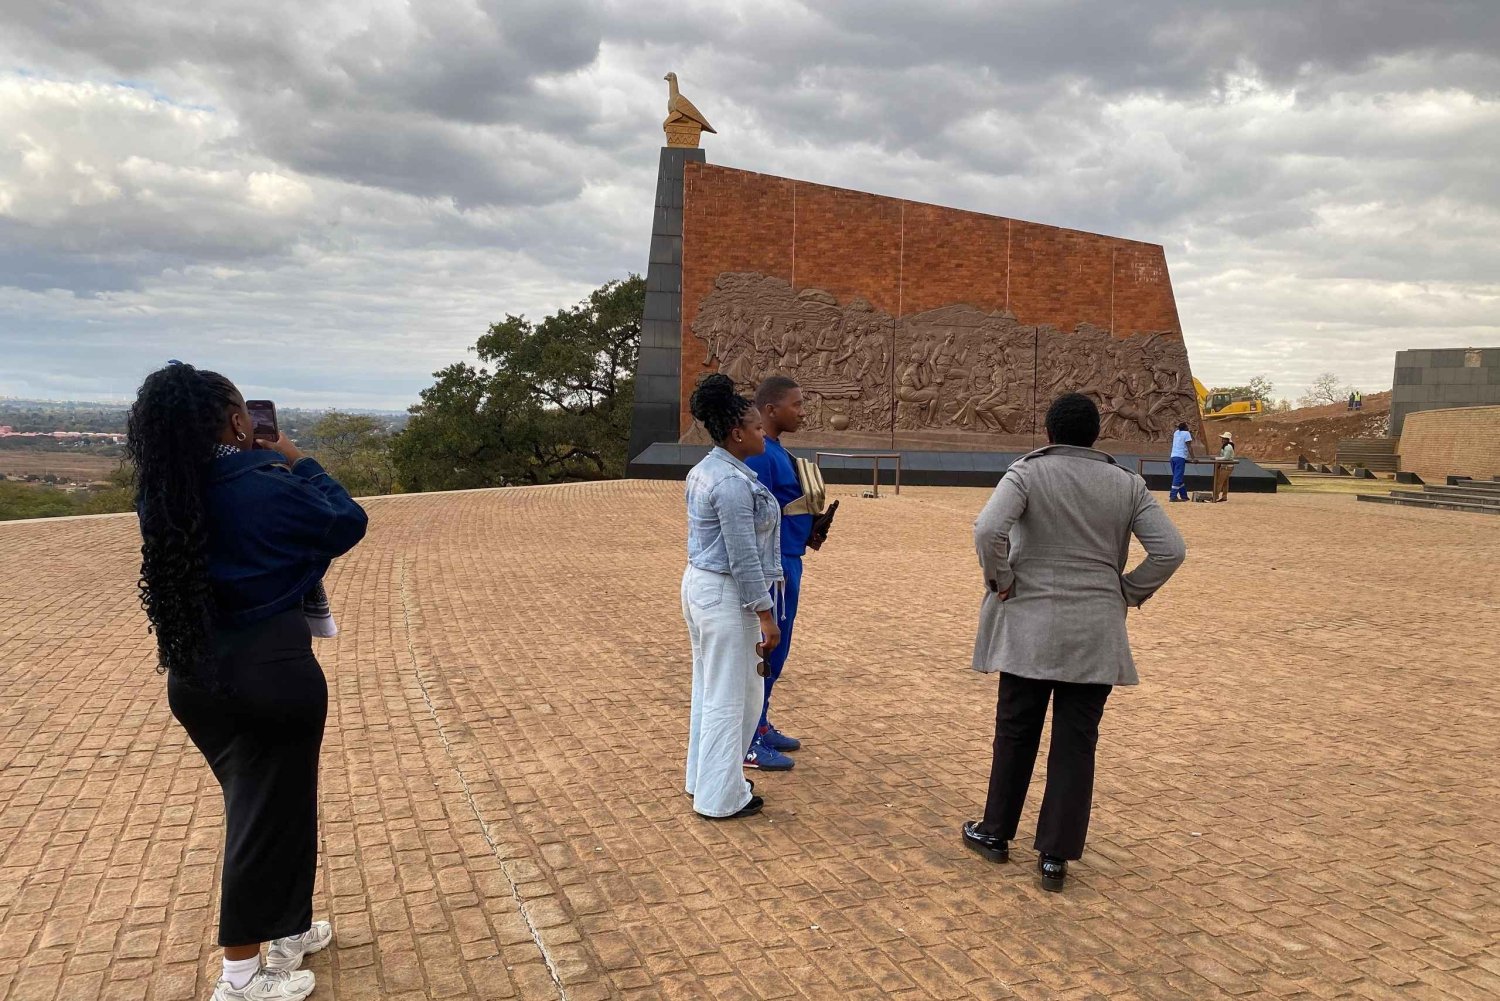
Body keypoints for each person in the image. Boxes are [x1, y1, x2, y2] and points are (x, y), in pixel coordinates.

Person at [127, 362, 368, 1000]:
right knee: (261, 818)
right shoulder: (263, 483)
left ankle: (286, 931)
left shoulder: (163, 492)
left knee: (274, 809)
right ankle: (238, 978)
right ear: (238, 420)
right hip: (270, 675)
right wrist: (298, 459)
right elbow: (346, 521)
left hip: (198, 674)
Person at [962, 393, 1186, 892]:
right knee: (1076, 743)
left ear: (1048, 433)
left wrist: (1000, 577)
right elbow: (1171, 550)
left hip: (1027, 624)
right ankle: (1055, 857)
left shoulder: (1026, 474)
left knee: (1016, 731)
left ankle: (996, 832)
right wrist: (1126, 590)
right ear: (1095, 435)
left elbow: (988, 529)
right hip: (1095, 629)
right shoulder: (1127, 485)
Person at [682, 374, 784, 820]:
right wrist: (766, 616)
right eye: (757, 427)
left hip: (702, 586)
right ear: (736, 433)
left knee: (711, 687)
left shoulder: (708, 470)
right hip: (726, 593)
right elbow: (743, 558)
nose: (763, 433)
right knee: (734, 695)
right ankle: (722, 796)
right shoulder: (730, 484)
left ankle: (703, 779)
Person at [742, 376, 836, 770]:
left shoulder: (778, 451)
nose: (802, 411)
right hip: (774, 568)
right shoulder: (762, 454)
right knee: (767, 650)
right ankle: (747, 739)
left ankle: (759, 725)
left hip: (790, 559)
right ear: (770, 410)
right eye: (795, 404)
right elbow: (756, 513)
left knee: (778, 652)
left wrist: (808, 525)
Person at [1168, 420, 1194, 502]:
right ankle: (1173, 496)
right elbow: (1189, 446)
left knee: (1179, 477)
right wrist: (1193, 458)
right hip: (1180, 458)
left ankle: (1184, 496)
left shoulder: (1176, 433)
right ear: (1185, 428)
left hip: (1173, 457)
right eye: (1187, 426)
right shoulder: (1186, 434)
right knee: (1177, 477)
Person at [1213, 431, 1236, 501]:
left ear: (1227, 439)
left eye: (1224, 439)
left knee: (1219, 482)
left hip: (1227, 467)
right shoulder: (1227, 446)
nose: (1223, 440)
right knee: (1225, 482)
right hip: (1227, 466)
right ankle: (1224, 496)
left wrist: (1216, 459)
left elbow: (1226, 458)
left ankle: (1215, 496)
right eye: (1222, 438)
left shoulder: (1228, 447)